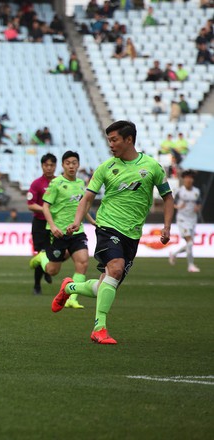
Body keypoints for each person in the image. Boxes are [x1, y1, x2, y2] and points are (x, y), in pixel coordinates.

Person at [53, 121, 174, 345]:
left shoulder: (152, 167)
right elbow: (87, 197)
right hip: (108, 227)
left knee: (105, 284)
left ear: (129, 140)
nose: (110, 144)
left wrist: (166, 226)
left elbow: (167, 197)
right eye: (109, 140)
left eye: (114, 139)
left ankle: (70, 287)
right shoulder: (106, 167)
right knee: (115, 269)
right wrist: (76, 221)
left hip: (133, 234)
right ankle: (99, 328)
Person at [30, 151, 96, 309]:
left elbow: (82, 207)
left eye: (74, 163)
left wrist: (93, 221)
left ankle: (72, 298)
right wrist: (52, 226)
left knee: (83, 263)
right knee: (53, 271)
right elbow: (45, 206)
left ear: (78, 165)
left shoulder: (81, 184)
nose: (71, 166)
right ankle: (41, 257)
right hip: (59, 232)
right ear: (63, 165)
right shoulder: (56, 183)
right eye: (68, 163)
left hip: (77, 231)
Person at [27, 153, 57, 295]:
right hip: (40, 224)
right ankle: (37, 285)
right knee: (41, 254)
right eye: (46, 165)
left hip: (55, 224)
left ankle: (48, 270)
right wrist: (46, 210)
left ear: (56, 166)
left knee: (53, 253)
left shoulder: (60, 183)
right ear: (42, 166)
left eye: (52, 165)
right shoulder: (37, 184)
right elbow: (30, 205)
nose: (49, 168)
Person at [169, 170, 201, 272]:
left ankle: (174, 254)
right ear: (184, 179)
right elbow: (172, 203)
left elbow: (199, 203)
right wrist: (178, 206)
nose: (189, 180)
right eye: (187, 177)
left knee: (190, 244)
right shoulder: (180, 191)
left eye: (191, 178)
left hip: (192, 219)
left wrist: (197, 208)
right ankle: (190, 265)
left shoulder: (196, 191)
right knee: (190, 243)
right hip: (182, 219)